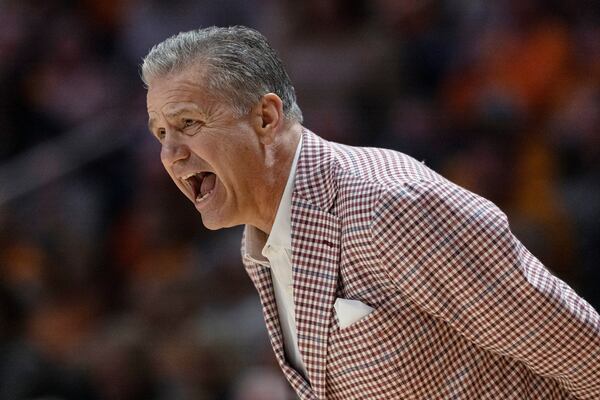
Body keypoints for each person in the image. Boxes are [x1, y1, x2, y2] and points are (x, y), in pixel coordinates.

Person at [142, 26, 600, 399]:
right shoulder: (258, 244)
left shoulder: (389, 204)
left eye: (188, 124)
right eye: (160, 132)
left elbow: (581, 350)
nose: (170, 153)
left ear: (266, 118)